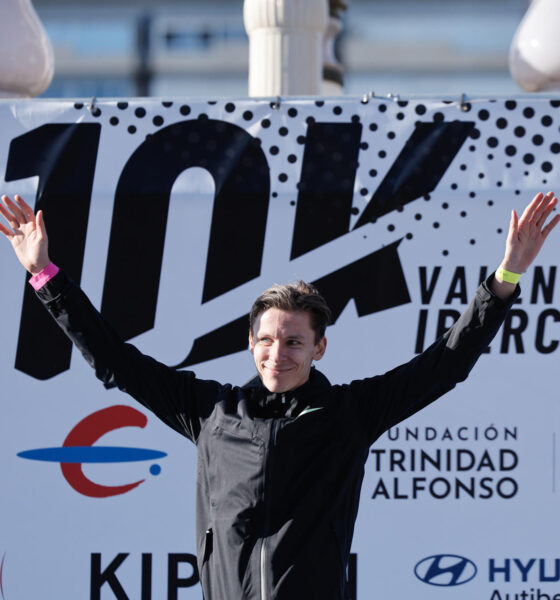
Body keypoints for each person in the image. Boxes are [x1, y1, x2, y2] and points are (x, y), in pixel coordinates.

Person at [1, 191, 558, 600]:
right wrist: (45, 275)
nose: (277, 353)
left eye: (293, 341)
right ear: (250, 343)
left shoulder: (350, 414)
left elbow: (446, 364)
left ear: (319, 348)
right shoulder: (212, 414)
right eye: (266, 340)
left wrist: (505, 276)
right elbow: (117, 362)